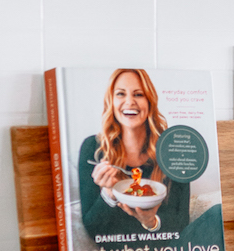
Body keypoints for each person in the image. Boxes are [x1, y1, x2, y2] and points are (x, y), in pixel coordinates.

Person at [78, 68, 190, 239]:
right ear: (111, 102)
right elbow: (93, 229)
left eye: (138, 94)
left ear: (149, 101)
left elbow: (181, 222)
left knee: (217, 213)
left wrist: (151, 222)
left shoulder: (173, 150)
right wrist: (108, 194)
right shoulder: (93, 148)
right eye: (121, 94)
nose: (129, 102)